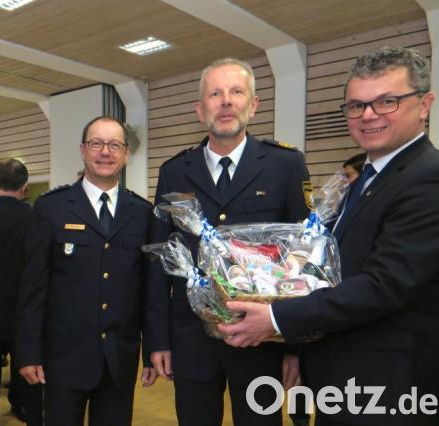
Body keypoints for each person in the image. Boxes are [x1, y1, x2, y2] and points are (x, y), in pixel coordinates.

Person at [220, 46, 439, 425]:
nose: (368, 115)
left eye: (387, 101)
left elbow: (384, 285)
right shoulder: (363, 181)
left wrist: (277, 317)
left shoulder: (432, 177)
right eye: (356, 105)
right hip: (346, 380)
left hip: (391, 390)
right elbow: (331, 270)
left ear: (424, 105)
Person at [145, 58, 312, 426]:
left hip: (262, 340)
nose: (225, 101)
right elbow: (159, 261)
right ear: (200, 109)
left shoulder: (285, 165)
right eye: (215, 94)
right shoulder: (174, 171)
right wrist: (157, 341)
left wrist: (296, 346)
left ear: (253, 105)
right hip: (191, 340)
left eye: (236, 92)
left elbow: (303, 259)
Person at [16, 115, 157, 426]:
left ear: (126, 154)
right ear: (83, 150)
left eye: (114, 145)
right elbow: (33, 287)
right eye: (96, 144)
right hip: (63, 358)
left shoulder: (141, 212)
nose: (105, 152)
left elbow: (149, 292)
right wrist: (28, 352)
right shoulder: (51, 208)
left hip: (118, 359)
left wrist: (151, 351)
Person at [0, 158, 41, 426]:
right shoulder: (36, 218)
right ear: (24, 186)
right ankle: (25, 410)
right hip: (25, 312)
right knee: (30, 379)